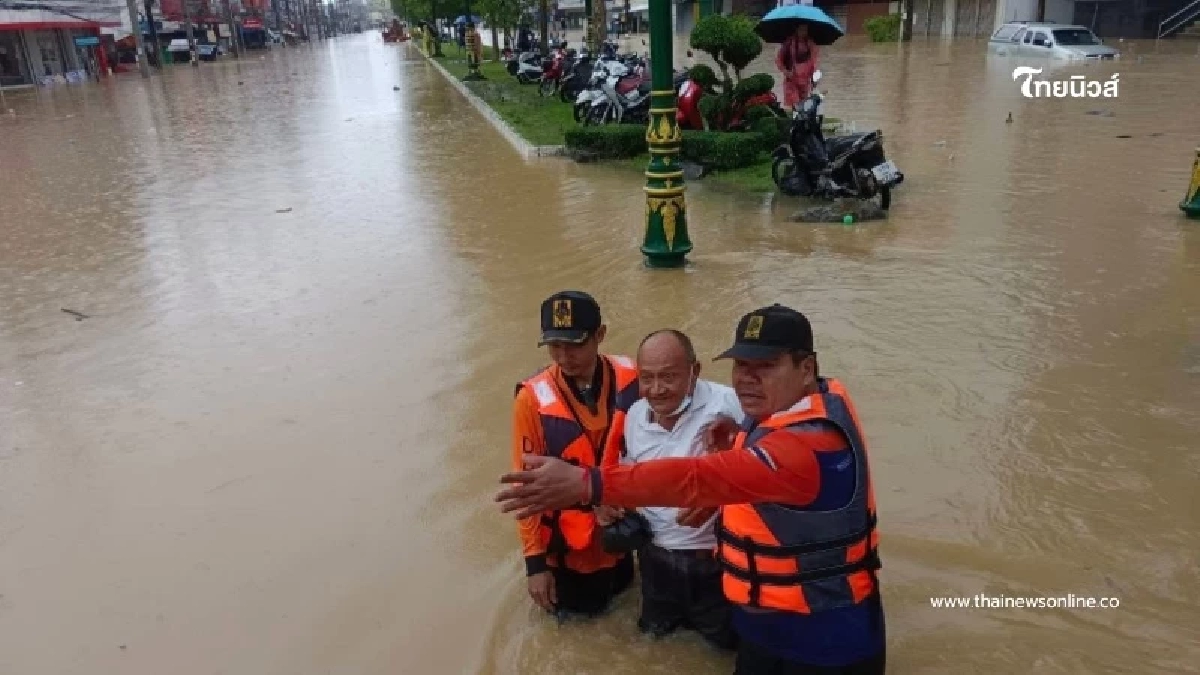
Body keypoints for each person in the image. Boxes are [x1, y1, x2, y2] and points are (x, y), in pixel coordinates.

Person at [498, 304, 886, 674]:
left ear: (806, 368)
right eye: (741, 366)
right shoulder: (785, 409)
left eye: (766, 366)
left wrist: (588, 484)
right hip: (764, 625)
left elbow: (697, 477)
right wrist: (736, 441)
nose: (748, 378)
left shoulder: (808, 444)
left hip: (823, 640)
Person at [511, 290, 639, 619]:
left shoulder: (632, 377)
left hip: (622, 539)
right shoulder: (531, 400)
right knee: (580, 624)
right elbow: (525, 488)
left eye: (575, 344)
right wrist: (535, 566)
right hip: (571, 553)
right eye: (555, 346)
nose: (564, 356)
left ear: (600, 335)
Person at [623, 329, 743, 650]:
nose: (657, 389)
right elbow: (624, 478)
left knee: (725, 648)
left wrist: (729, 459)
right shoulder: (633, 416)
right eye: (646, 378)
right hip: (654, 561)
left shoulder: (730, 404)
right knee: (652, 643)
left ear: (695, 372)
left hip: (715, 564)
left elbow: (771, 461)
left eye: (669, 377)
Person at [776, 23, 820, 110]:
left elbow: (814, 62)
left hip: (805, 81)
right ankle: (795, 119)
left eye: (805, 30)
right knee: (795, 104)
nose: (803, 32)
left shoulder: (810, 44)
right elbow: (779, 60)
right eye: (801, 29)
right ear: (796, 30)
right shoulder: (788, 44)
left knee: (803, 106)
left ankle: (799, 122)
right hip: (791, 80)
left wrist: (815, 78)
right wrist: (786, 72)